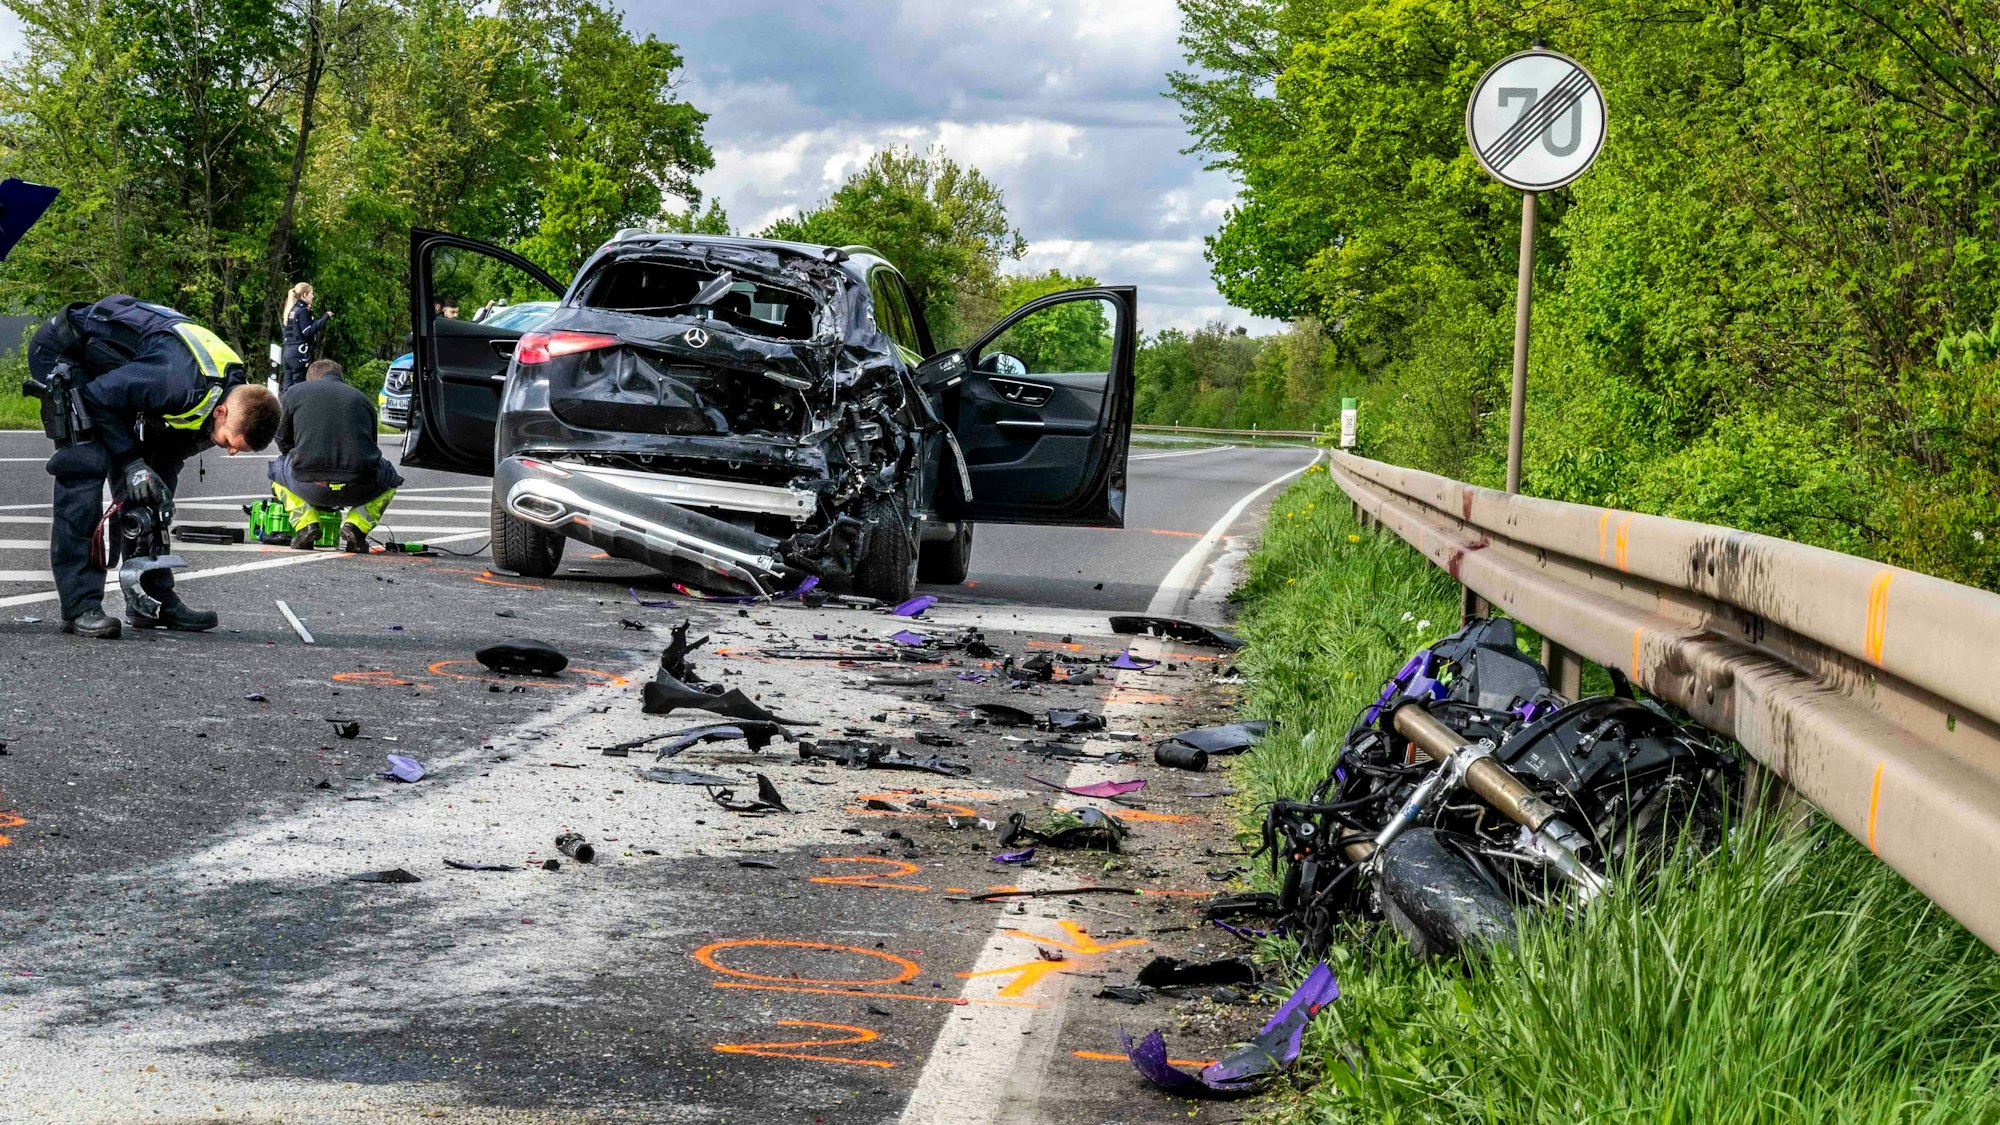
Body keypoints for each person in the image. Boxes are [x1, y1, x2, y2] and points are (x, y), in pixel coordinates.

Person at [29, 294, 282, 639]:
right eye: (229, 442)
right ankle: (80, 606)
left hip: (121, 376)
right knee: (84, 465)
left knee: (152, 488)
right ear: (221, 413)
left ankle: (150, 598)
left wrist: (151, 485)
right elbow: (98, 397)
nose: (230, 452)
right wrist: (132, 464)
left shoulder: (224, 394)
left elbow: (169, 451)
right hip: (67, 352)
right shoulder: (177, 381)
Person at [267, 359, 403, 552]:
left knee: (275, 470)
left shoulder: (294, 393)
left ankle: (306, 524)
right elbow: (371, 447)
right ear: (340, 377)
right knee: (391, 476)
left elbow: (282, 441)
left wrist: (302, 458)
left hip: (309, 485)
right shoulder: (361, 399)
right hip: (358, 487)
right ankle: (356, 526)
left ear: (311, 379)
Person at [280, 281, 331, 393]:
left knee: (287, 389)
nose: (312, 296)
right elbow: (308, 331)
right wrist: (325, 317)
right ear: (304, 295)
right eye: (311, 293)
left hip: (288, 352)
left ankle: (285, 410)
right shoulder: (302, 311)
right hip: (299, 354)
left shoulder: (291, 311)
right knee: (300, 388)